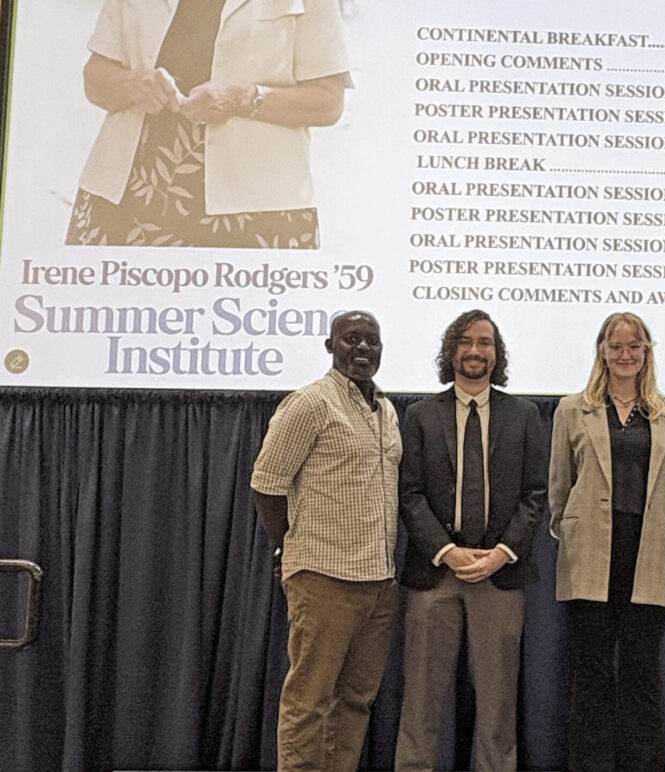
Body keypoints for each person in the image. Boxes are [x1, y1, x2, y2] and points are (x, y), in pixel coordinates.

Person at [395, 309, 547, 772]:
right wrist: (447, 550)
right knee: (420, 703)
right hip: (435, 571)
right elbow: (410, 492)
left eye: (485, 342)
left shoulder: (524, 415)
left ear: (496, 354)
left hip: (500, 576)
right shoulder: (421, 415)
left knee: (499, 707)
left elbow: (535, 494)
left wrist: (501, 554)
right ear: (451, 351)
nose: (475, 350)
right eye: (466, 341)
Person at [67, 0, 351, 248]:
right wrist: (133, 85)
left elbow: (328, 102)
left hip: (257, 214)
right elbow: (95, 79)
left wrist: (243, 98)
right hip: (126, 204)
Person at [250, 311, 400, 772]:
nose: (362, 348)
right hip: (324, 577)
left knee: (355, 701)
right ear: (329, 345)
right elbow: (266, 484)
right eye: (351, 339)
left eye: (371, 341)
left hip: (379, 580)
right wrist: (291, 548)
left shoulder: (386, 409)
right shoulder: (309, 404)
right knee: (310, 700)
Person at [549, 312, 665, 771]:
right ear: (602, 351)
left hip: (646, 553)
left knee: (641, 674)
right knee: (590, 673)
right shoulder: (572, 409)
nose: (625, 354)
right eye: (616, 345)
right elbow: (558, 486)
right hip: (590, 553)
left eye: (635, 346)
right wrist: (568, 530)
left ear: (647, 353)